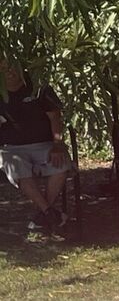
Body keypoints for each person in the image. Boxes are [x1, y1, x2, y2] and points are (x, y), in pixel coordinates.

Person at [0, 65, 71, 234]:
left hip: (45, 144)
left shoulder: (38, 87)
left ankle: (44, 215)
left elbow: (55, 117)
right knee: (18, 168)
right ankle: (49, 214)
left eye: (12, 67)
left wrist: (57, 144)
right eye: (3, 69)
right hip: (11, 149)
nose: (10, 71)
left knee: (60, 166)